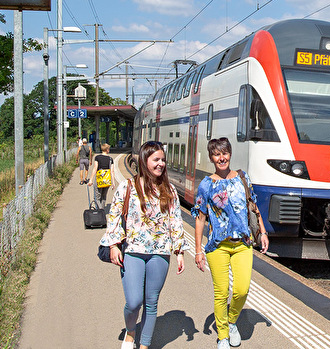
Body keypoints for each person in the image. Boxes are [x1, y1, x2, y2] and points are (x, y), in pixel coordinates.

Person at [100, 141, 186, 349]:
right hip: (133, 251)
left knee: (151, 302)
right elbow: (114, 216)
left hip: (160, 251)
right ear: (144, 160)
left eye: (163, 160)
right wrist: (113, 245)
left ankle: (144, 344)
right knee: (134, 302)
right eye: (156, 159)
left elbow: (175, 219)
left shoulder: (169, 190)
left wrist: (179, 251)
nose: (161, 164)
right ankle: (131, 332)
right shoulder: (128, 186)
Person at [192, 138, 269, 349]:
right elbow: (200, 218)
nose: (221, 157)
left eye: (224, 153)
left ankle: (232, 321)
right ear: (211, 158)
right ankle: (223, 335)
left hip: (242, 243)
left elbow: (253, 205)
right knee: (221, 293)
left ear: (230, 154)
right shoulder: (207, 185)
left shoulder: (242, 178)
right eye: (217, 154)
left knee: (242, 290)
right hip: (218, 246)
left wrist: (262, 232)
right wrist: (198, 251)